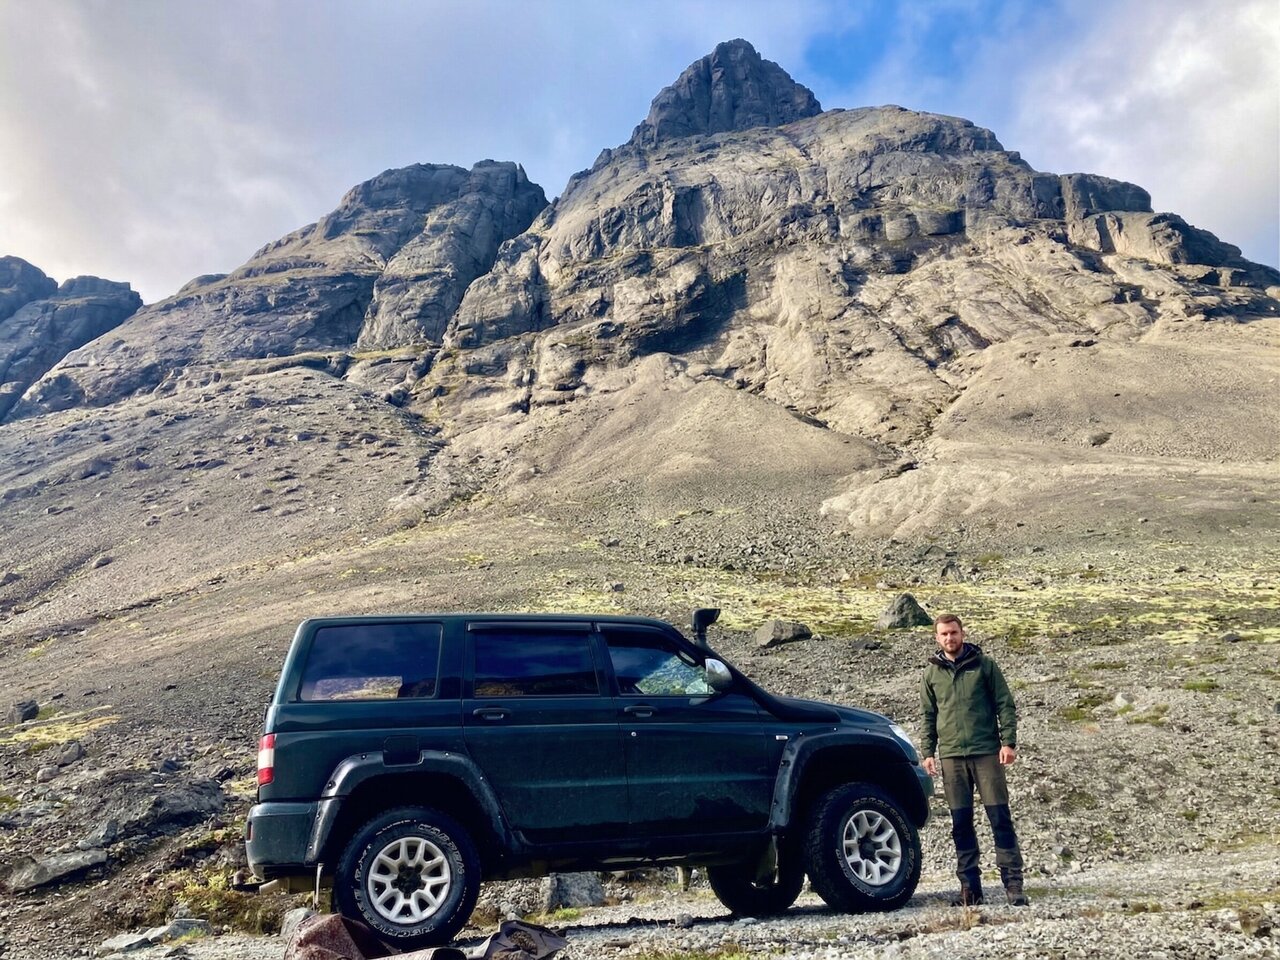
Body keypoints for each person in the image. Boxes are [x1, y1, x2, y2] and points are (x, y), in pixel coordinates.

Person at [920, 613, 1029, 906]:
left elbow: (1004, 703)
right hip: (952, 757)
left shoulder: (985, 666)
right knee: (961, 823)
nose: (949, 638)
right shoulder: (931, 674)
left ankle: (1013, 884)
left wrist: (1008, 742)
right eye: (943, 634)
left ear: (962, 633)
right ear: (936, 638)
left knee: (999, 818)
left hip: (986, 754)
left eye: (953, 632)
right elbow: (928, 715)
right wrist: (928, 752)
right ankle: (970, 889)